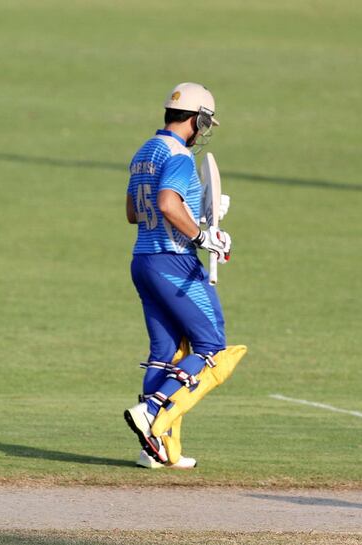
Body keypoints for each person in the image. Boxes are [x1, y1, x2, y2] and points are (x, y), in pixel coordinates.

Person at [122, 82, 247, 469]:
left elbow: (133, 212)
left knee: (164, 354)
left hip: (142, 260)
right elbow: (165, 203)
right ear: (196, 120)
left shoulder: (145, 152)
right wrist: (202, 234)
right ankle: (155, 413)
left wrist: (201, 213)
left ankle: (153, 450)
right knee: (212, 349)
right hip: (172, 260)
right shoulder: (178, 156)